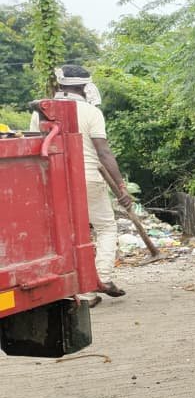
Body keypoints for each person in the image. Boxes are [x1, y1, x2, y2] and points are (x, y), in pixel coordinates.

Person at [53, 65, 132, 305]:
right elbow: (104, 152)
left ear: (60, 85)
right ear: (85, 87)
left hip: (56, 183)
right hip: (88, 180)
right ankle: (101, 279)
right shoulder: (91, 112)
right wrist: (121, 186)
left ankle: (78, 292)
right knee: (106, 228)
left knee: (69, 236)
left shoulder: (42, 111)